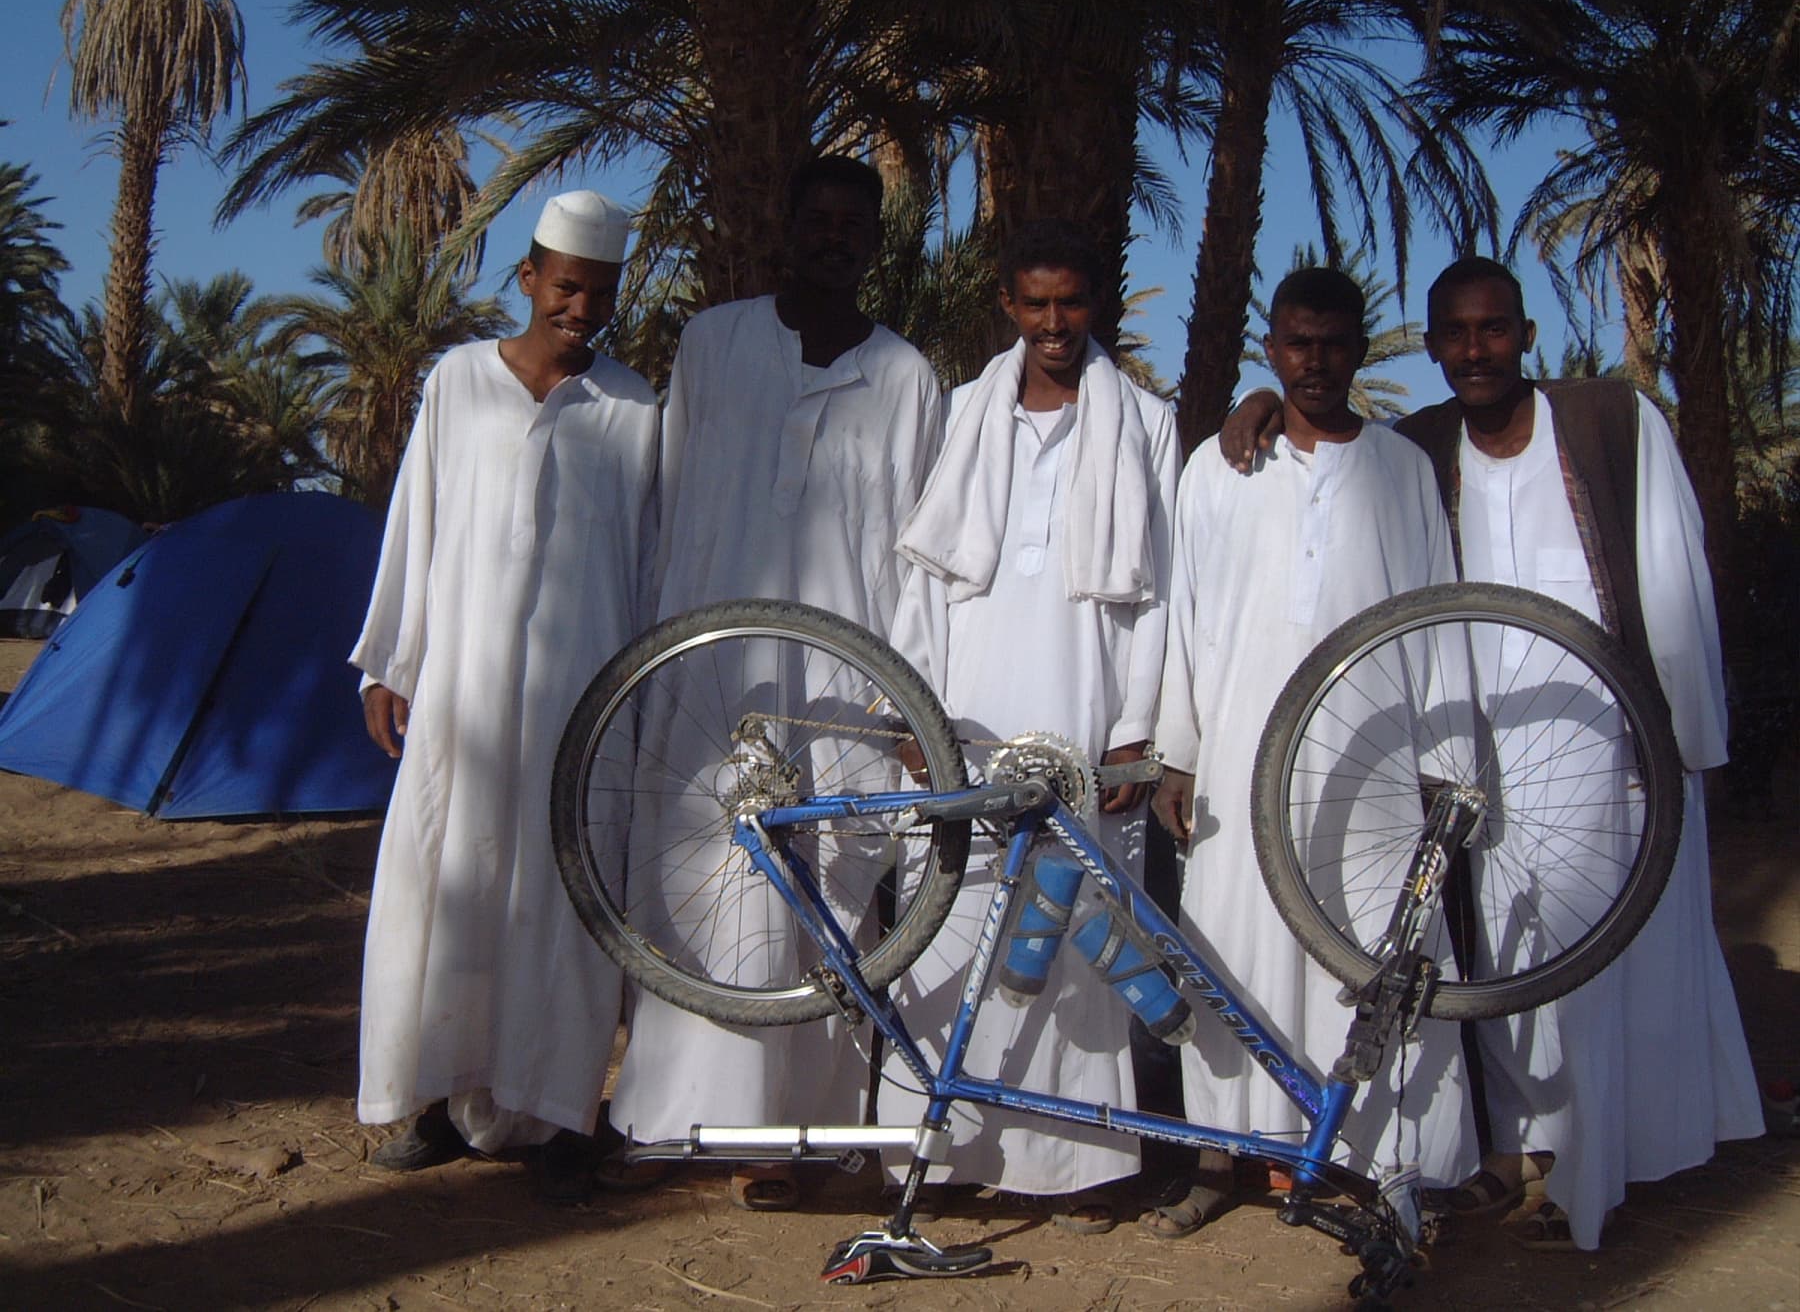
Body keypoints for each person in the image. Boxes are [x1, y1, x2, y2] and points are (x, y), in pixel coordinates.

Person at [1218, 256, 1762, 1249]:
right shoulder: (1424, 446)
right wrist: (1256, 402)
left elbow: (1675, 576)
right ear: (1430, 349)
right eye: (1457, 336)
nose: (1477, 351)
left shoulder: (1610, 422)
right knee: (1503, 954)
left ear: (1527, 333)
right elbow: (1321, 425)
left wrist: (1687, 740)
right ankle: (1522, 1153)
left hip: (1612, 744)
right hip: (1486, 753)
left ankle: (1599, 1165)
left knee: (1605, 960)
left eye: (1495, 329)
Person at [605, 154, 946, 1212]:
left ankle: (806, 1127)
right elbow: (662, 500)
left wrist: (909, 700)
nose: (837, 237)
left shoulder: (907, 376)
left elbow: (924, 554)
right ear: (788, 226)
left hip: (849, 673)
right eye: (821, 218)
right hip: (710, 660)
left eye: (858, 224)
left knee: (831, 885)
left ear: (875, 244)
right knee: (705, 877)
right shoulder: (714, 343)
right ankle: (679, 1112)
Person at [1146, 267, 1477, 1238]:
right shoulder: (1220, 467)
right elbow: (1185, 615)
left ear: (1361, 346)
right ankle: (1226, 1152)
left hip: (1372, 755)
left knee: (1376, 948)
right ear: (1271, 346)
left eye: (1335, 343)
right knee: (1230, 944)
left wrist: (1445, 760)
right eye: (1298, 342)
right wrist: (1180, 748)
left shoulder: (1402, 469)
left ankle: (1386, 1158)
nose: (1317, 361)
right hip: (1244, 745)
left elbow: (1437, 612)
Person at [350, 190, 660, 1205]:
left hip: (586, 702)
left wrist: (647, 701)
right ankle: (436, 1096)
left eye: (600, 294)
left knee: (569, 900)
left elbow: (651, 564)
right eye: (567, 286)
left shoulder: (635, 408)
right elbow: (418, 522)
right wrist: (393, 660)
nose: (581, 308)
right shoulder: (458, 383)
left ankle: (562, 1107)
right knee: (454, 888)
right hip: (466, 697)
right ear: (529, 279)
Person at [875, 220, 1179, 1233]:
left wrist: (1136, 730)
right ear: (1008, 306)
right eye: (1035, 305)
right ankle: (950, 1155)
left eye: (1073, 303)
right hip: (967, 705)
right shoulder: (963, 415)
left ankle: (1077, 1165)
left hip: (1085, 705)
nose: (1054, 324)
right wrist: (912, 714)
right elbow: (921, 583)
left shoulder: (1146, 421)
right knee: (951, 922)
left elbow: (1163, 593)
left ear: (1097, 303)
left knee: (1084, 926)